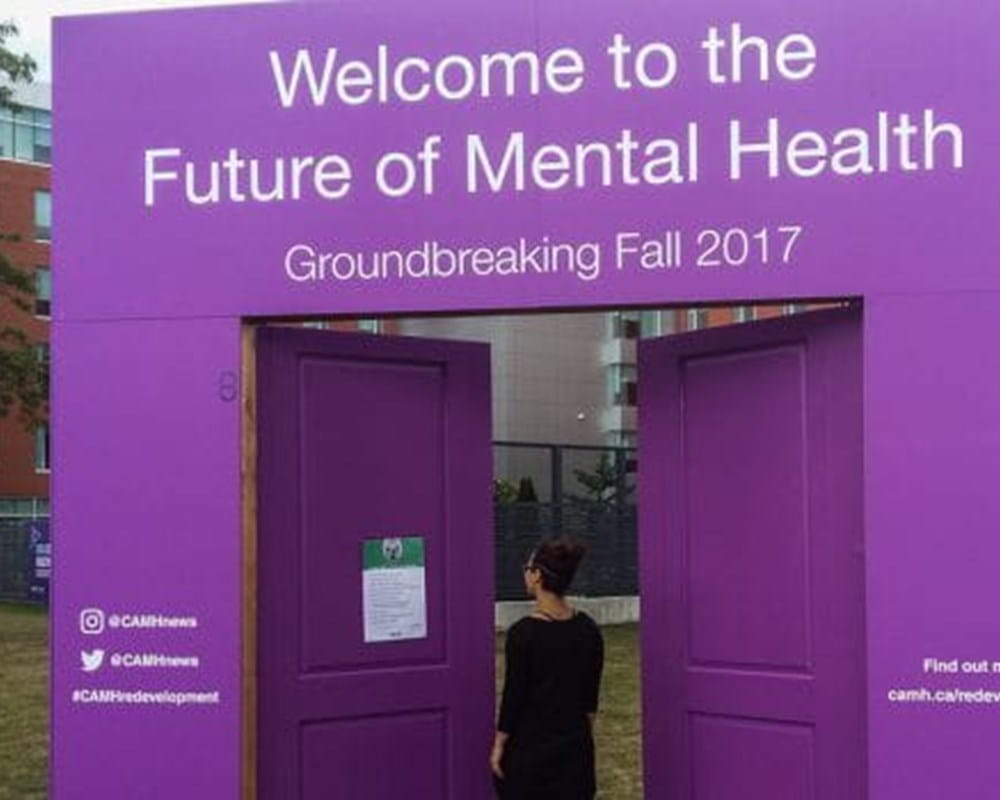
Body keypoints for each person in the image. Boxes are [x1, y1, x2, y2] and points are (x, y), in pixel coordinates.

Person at [491, 536, 605, 800]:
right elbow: (591, 702)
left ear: (538, 576)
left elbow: (514, 696)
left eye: (527, 568)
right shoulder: (588, 630)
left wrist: (499, 744)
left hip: (531, 757)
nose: (525, 573)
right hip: (574, 754)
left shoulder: (523, 634)